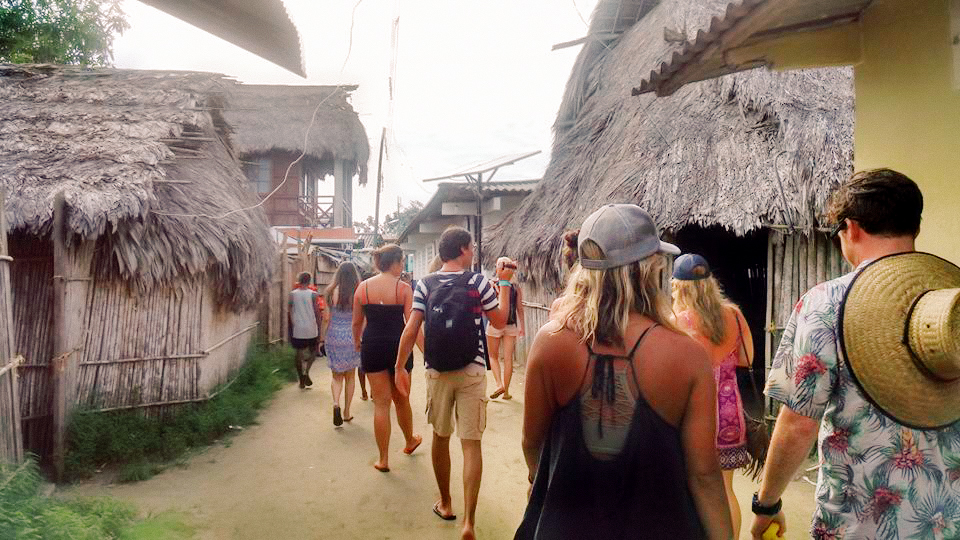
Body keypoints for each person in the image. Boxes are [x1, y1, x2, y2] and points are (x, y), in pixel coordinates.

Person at [751, 168, 960, 539]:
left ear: (852, 228)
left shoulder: (826, 304)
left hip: (860, 522)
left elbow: (799, 422)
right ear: (915, 228)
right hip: (948, 516)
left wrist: (767, 503)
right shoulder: (951, 303)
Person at [515, 204, 733, 540]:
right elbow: (704, 475)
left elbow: (533, 443)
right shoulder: (687, 356)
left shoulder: (550, 343)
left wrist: (541, 485)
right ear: (650, 269)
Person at [395, 226, 515, 540]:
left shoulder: (424, 284)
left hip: (437, 370)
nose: (473, 251)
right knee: (471, 444)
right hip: (472, 369)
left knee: (440, 436)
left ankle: (446, 504)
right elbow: (500, 321)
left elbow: (411, 329)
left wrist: (399, 367)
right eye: (471, 246)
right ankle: (470, 524)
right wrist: (504, 283)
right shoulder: (477, 282)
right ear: (462, 249)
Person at [672, 253, 754, 540]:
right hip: (729, 410)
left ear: (679, 287)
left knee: (692, 486)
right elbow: (747, 358)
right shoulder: (733, 314)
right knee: (725, 490)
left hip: (693, 413)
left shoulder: (677, 321)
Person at [352, 244, 422, 472]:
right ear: (393, 262)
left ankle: (383, 459)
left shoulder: (362, 288)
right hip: (398, 347)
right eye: (401, 262)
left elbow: (356, 322)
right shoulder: (403, 289)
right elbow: (413, 325)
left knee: (381, 404)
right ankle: (410, 440)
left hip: (372, 345)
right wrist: (425, 351)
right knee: (401, 399)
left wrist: (357, 341)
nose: (402, 266)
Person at [323, 261, 362, 427]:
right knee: (350, 376)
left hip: (334, 336)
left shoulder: (330, 291)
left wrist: (321, 338)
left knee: (336, 376)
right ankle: (346, 412)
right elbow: (361, 318)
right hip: (352, 336)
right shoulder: (359, 291)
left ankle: (335, 404)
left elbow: (326, 318)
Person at [487, 257, 525, 400]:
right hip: (511, 324)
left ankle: (499, 384)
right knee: (508, 359)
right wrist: (522, 327)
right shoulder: (515, 287)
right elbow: (520, 309)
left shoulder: (493, 285)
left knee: (493, 356)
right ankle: (507, 392)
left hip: (494, 324)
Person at [289, 272, 324, 389]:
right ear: (309, 281)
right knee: (313, 351)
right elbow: (317, 313)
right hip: (311, 328)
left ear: (299, 280)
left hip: (298, 328)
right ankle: (307, 371)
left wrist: (293, 323)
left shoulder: (292, 295)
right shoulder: (313, 295)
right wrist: (319, 327)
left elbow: (290, 310)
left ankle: (301, 379)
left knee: (298, 352)